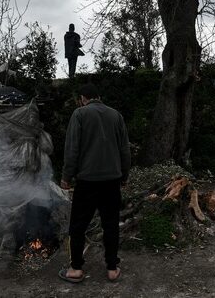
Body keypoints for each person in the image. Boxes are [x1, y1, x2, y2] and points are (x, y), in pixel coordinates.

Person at [58, 83, 131, 283]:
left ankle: (75, 269)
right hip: (112, 181)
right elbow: (125, 149)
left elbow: (72, 149)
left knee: (78, 225)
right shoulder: (116, 115)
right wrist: (124, 175)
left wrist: (66, 177)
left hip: (87, 182)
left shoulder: (79, 114)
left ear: (83, 98)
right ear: (99, 97)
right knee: (110, 224)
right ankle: (112, 269)